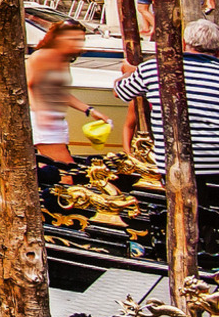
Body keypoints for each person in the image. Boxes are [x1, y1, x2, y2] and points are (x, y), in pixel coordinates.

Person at [113, 17, 219, 204]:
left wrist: (129, 72)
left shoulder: (154, 68)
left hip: (173, 163)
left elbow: (119, 91)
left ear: (184, 44)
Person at [28, 20, 103, 163]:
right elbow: (29, 86)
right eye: (72, 39)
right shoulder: (42, 56)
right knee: (66, 170)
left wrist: (89, 110)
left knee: (52, 168)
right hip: (44, 121)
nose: (76, 43)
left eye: (80, 40)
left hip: (56, 119)